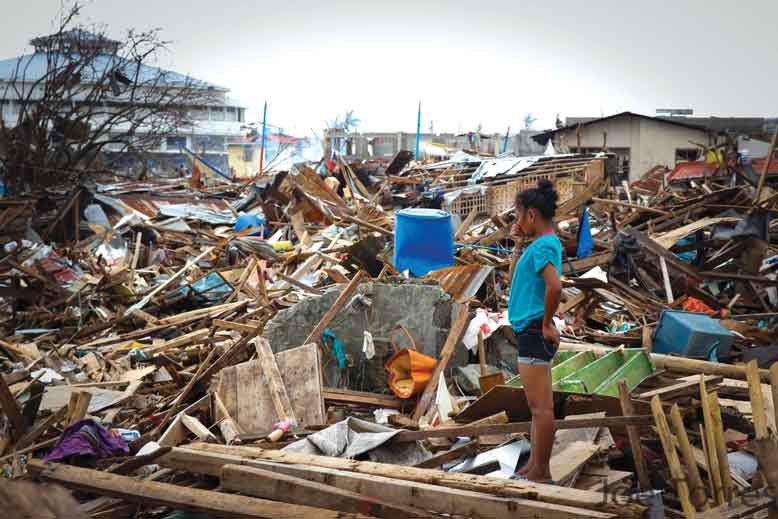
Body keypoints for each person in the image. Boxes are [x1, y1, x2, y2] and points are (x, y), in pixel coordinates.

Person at [508, 179, 562, 483]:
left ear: (531, 214)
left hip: (533, 329)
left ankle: (541, 470)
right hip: (529, 327)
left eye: (518, 215)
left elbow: (555, 286)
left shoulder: (544, 245)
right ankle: (534, 466)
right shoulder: (540, 245)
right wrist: (517, 245)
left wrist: (544, 323)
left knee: (541, 408)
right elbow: (514, 276)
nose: (516, 222)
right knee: (536, 407)